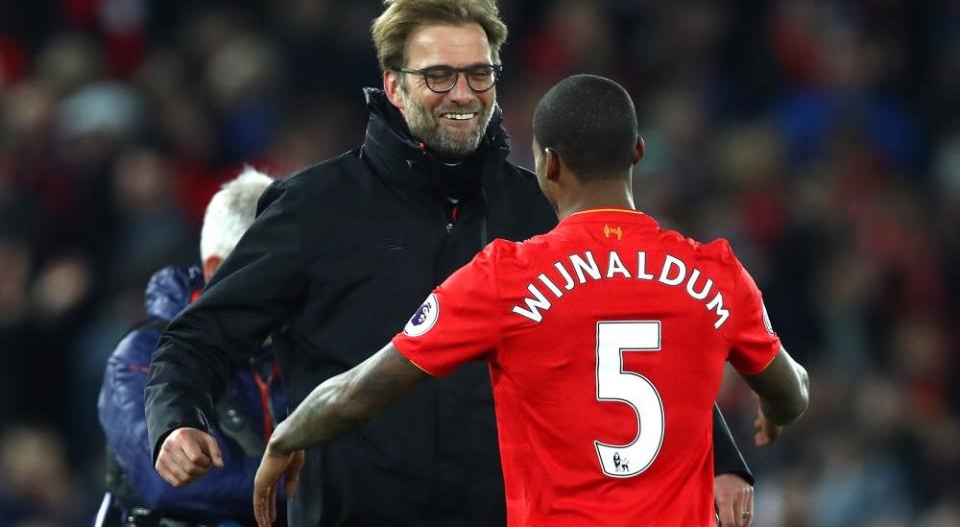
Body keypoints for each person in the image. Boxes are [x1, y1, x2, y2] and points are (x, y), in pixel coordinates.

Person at [146, 0, 756, 526]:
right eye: (438, 76)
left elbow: (641, 334)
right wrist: (175, 422)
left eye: (479, 73)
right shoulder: (314, 208)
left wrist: (722, 457)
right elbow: (199, 337)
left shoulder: (541, 212)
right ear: (393, 85)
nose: (462, 93)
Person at [252, 75, 810, 527]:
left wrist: (288, 433)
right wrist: (774, 413)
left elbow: (360, 393)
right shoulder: (713, 272)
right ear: (637, 152)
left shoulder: (507, 277)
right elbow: (792, 389)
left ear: (547, 164)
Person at [97, 167, 286, 526]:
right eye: (276, 270)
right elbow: (171, 484)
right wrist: (309, 489)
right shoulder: (140, 355)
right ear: (215, 270)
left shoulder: (303, 345)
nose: (294, 285)